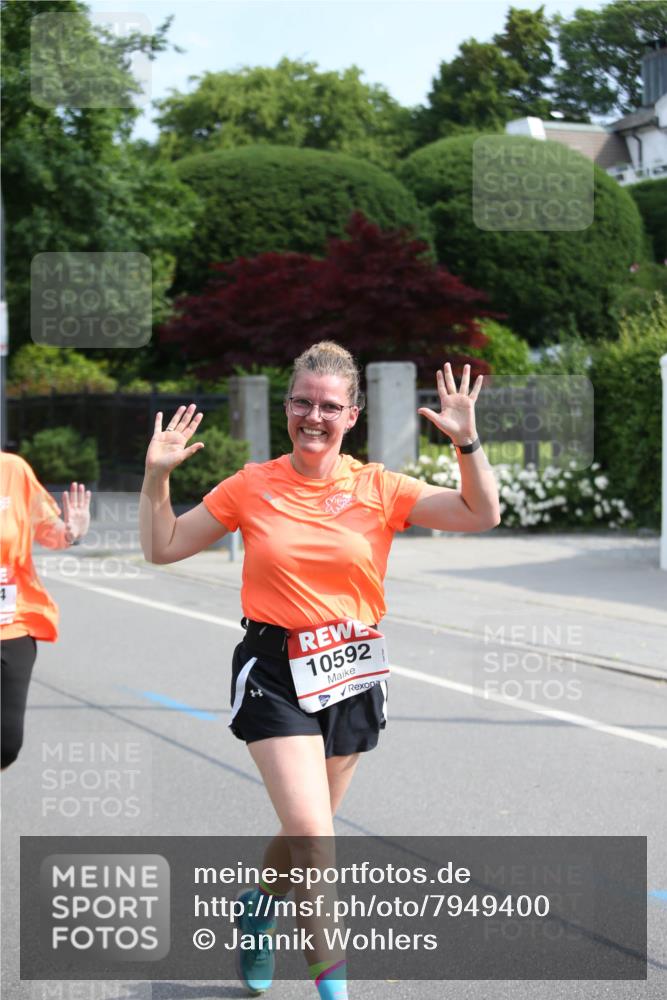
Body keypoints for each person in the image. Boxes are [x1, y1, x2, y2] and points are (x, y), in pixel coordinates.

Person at [139, 341, 500, 998]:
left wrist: (467, 444)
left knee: (307, 832)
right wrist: (157, 476)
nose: (314, 416)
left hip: (353, 673)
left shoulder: (378, 487)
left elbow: (482, 513)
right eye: (302, 402)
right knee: (312, 834)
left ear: (352, 414)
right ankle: (333, 989)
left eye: (328, 405)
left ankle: (255, 906)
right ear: (287, 407)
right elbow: (162, 547)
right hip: (274, 671)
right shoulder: (251, 485)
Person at [0, 451, 91, 769]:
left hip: (13, 621)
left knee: (6, 743)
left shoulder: (12, 470)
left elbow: (46, 527)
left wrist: (70, 532)